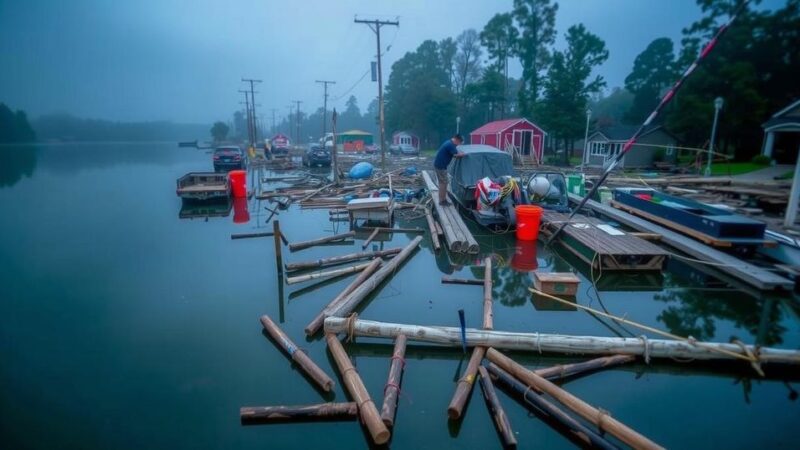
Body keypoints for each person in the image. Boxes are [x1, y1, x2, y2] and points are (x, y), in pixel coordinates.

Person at [433, 134, 465, 206]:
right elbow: (456, 155)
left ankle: (443, 199)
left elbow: (454, 154)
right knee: (443, 183)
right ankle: (442, 201)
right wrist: (463, 155)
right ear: (457, 140)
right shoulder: (450, 145)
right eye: (459, 142)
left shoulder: (449, 142)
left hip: (439, 165)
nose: (458, 144)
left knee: (444, 182)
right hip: (440, 166)